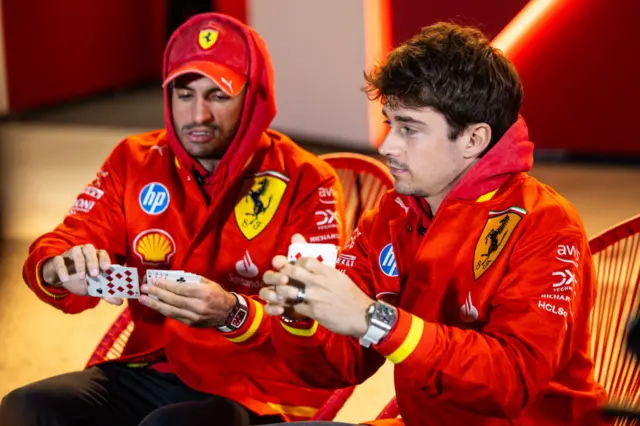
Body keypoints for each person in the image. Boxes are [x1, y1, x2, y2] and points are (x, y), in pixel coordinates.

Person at [0, 12, 346, 426]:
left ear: (254, 98)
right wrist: (58, 268)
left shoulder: (307, 179)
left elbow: (319, 321)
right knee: (28, 407)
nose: (198, 115)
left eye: (218, 95)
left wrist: (233, 312)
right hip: (154, 368)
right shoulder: (135, 159)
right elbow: (66, 241)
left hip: (261, 386)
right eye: (184, 94)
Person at [259, 22, 609, 425]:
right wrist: (301, 315)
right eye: (390, 123)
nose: (386, 146)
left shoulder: (547, 224)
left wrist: (374, 319)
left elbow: (510, 382)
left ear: (474, 139)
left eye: (409, 128)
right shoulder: (392, 214)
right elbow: (340, 368)